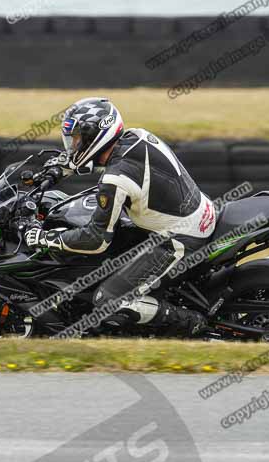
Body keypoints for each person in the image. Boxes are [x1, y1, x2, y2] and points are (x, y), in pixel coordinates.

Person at [24, 97, 217, 335]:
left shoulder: (116, 179)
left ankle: (191, 323)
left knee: (107, 301)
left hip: (180, 238)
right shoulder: (136, 136)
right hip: (194, 212)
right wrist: (59, 169)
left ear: (95, 137)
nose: (72, 146)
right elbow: (88, 157)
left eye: (76, 139)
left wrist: (44, 238)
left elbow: (95, 240)